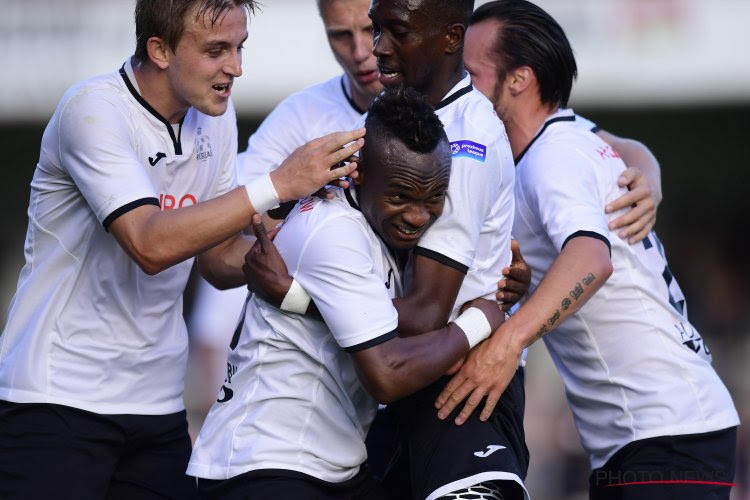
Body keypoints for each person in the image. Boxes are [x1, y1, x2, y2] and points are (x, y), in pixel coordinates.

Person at [0, 0, 365, 497]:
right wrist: (278, 184)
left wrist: (301, 216)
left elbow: (215, 261)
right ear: (160, 50)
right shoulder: (92, 109)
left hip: (157, 408)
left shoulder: (215, 116)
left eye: (239, 49)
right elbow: (149, 244)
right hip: (56, 400)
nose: (235, 68)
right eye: (216, 50)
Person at [436, 2, 740, 499]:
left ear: (519, 80)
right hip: (652, 432)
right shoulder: (564, 138)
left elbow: (590, 259)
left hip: (663, 430)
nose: (459, 86)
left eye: (470, 72)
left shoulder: (551, 156)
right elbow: (625, 148)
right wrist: (650, 174)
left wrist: (506, 344)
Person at [187, 87, 507, 499]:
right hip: (266, 464)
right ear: (357, 173)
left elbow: (393, 319)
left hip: (333, 468)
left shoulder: (383, 230)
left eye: (434, 199)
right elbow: (387, 375)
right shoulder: (333, 229)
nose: (417, 215)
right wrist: (480, 321)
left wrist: (297, 298)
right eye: (401, 196)